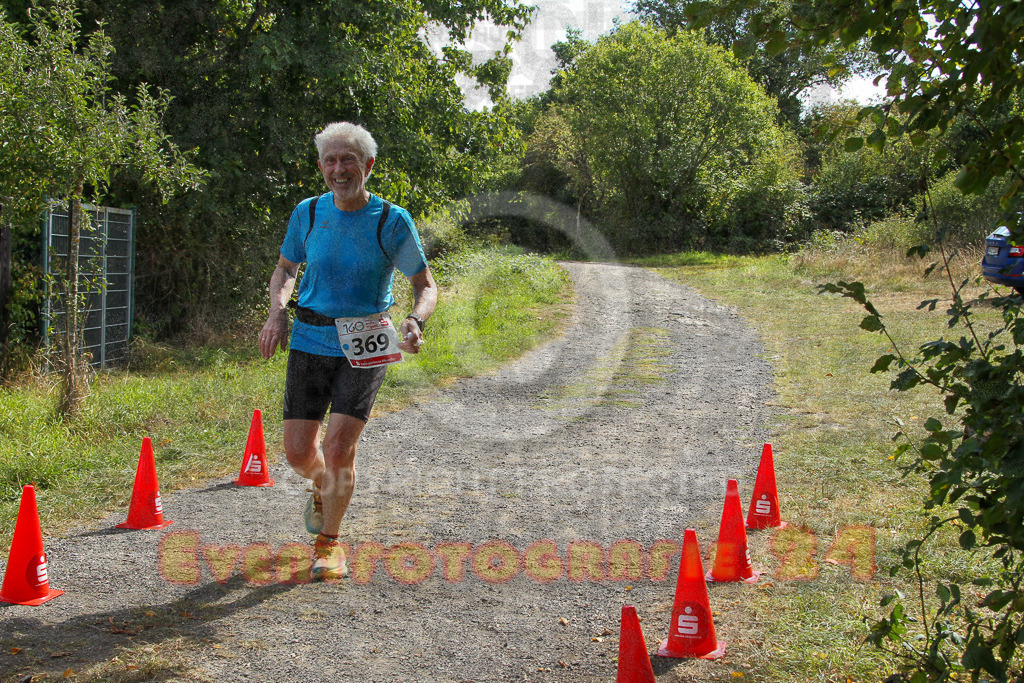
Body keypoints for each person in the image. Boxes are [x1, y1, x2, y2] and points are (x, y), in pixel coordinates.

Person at [258, 122, 437, 581]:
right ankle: (324, 486)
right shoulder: (308, 213)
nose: (339, 169)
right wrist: (277, 312)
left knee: (338, 447)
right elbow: (285, 269)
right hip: (310, 336)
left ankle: (329, 543)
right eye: (330, 160)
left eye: (349, 160)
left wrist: (415, 320)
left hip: (367, 339)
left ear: (368, 165)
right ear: (321, 166)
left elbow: (425, 285)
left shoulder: (390, 220)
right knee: (299, 454)